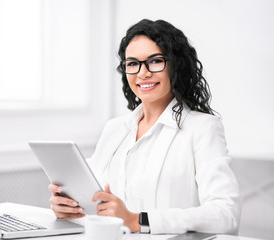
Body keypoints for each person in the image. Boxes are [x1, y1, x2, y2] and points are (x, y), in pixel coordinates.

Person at [48, 19, 241, 234]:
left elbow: (226, 214)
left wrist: (138, 220)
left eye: (155, 61)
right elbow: (96, 201)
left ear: (176, 65)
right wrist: (71, 207)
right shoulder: (114, 129)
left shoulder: (202, 128)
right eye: (132, 63)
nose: (142, 73)